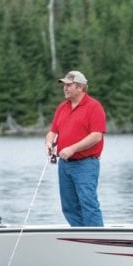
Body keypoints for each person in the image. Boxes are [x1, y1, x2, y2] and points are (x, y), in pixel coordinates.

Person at [46, 70, 107, 227]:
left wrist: (72, 148)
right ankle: (80, 238)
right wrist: (49, 143)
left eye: (69, 85)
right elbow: (52, 132)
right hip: (64, 165)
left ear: (80, 87)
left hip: (86, 164)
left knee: (88, 204)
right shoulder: (62, 107)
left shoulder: (94, 107)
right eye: (64, 85)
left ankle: (96, 240)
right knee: (69, 207)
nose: (65, 88)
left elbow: (96, 136)